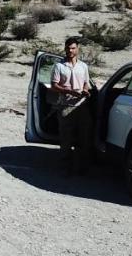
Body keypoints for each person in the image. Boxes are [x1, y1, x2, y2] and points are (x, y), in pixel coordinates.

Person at [51, 36, 92, 175]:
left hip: (81, 106)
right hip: (65, 105)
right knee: (66, 139)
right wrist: (68, 91)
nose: (70, 50)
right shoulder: (59, 66)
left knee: (83, 138)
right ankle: (65, 168)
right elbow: (54, 85)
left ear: (78, 49)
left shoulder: (83, 66)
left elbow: (86, 82)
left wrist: (85, 90)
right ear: (65, 48)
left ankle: (81, 168)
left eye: (73, 48)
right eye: (68, 48)